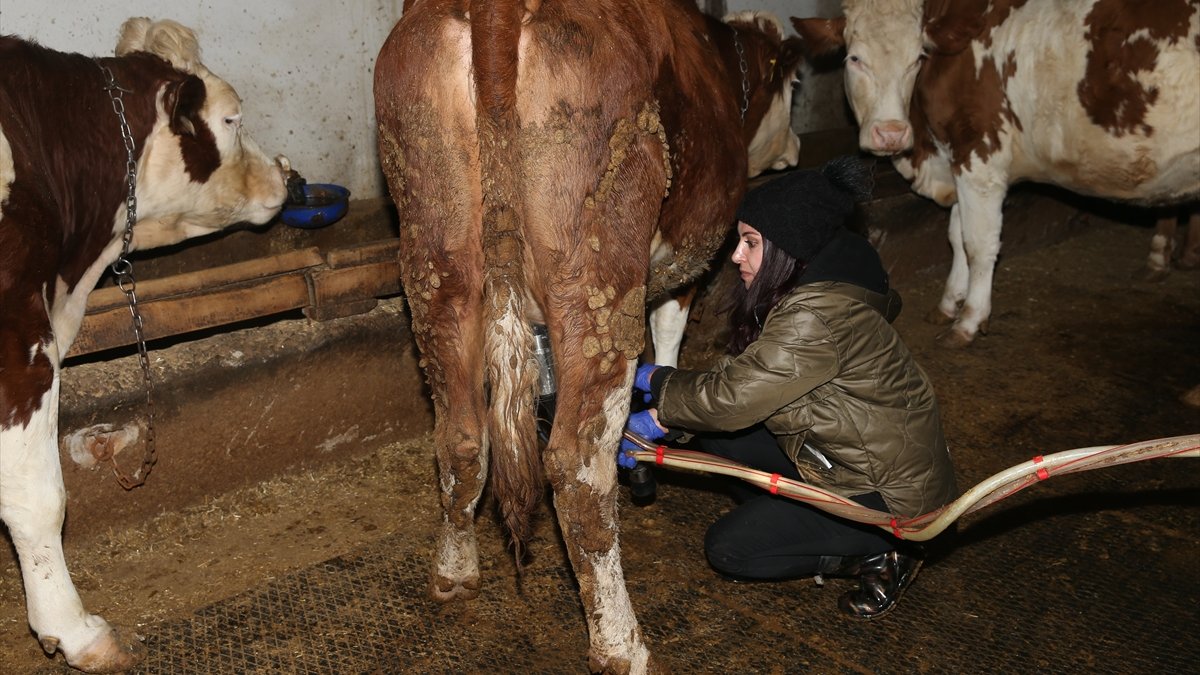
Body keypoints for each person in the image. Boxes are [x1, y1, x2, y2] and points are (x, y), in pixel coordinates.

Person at [620, 156, 958, 619]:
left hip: (890, 499)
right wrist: (665, 415)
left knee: (732, 548)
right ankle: (797, 517)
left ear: (787, 248)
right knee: (716, 434)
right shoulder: (810, 293)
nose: (736, 255)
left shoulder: (816, 317)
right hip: (845, 459)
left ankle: (882, 553)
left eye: (750, 243)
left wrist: (654, 381)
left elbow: (730, 399)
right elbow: (742, 382)